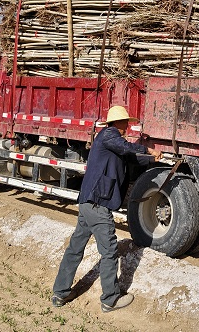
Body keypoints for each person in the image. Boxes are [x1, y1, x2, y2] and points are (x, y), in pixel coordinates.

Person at [52, 105, 162, 312]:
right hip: (98, 203)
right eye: (126, 122)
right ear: (118, 123)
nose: (128, 125)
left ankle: (61, 292)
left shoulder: (112, 142)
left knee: (75, 248)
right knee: (110, 251)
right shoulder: (109, 135)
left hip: (88, 202)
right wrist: (148, 149)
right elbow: (126, 147)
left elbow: (130, 156)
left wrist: (151, 159)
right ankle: (110, 299)